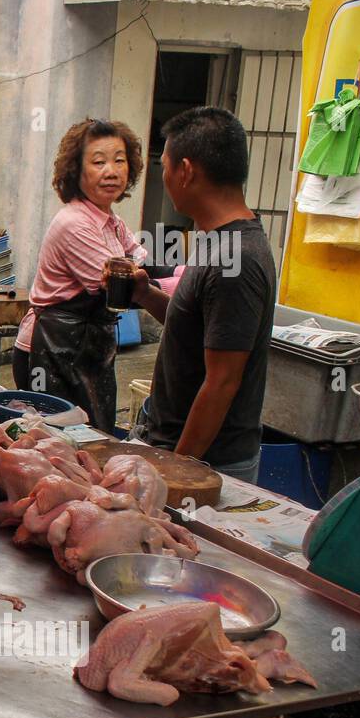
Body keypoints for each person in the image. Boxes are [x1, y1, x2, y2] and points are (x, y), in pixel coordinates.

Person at [123, 107, 275, 484]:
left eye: (166, 167)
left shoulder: (235, 260)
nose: (165, 177)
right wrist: (146, 295)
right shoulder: (218, 240)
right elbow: (196, 327)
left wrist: (177, 471)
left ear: (186, 171)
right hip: (174, 446)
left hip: (207, 463)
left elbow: (222, 382)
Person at [12, 118, 147, 434]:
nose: (111, 171)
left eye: (119, 160)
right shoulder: (74, 223)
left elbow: (141, 261)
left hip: (86, 350)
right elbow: (119, 286)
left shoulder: (110, 220)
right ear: (77, 169)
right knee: (57, 444)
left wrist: (183, 273)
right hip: (50, 351)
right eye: (98, 162)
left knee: (90, 440)